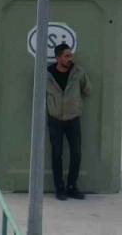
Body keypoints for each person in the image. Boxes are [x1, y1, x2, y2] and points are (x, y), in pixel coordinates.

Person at [47, 43, 91, 201]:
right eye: (66, 56)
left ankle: (72, 186)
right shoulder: (47, 75)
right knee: (57, 154)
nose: (69, 58)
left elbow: (87, 90)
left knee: (76, 153)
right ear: (58, 58)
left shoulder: (78, 73)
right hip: (55, 119)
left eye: (70, 55)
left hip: (73, 119)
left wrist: (74, 104)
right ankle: (59, 188)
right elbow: (38, 94)